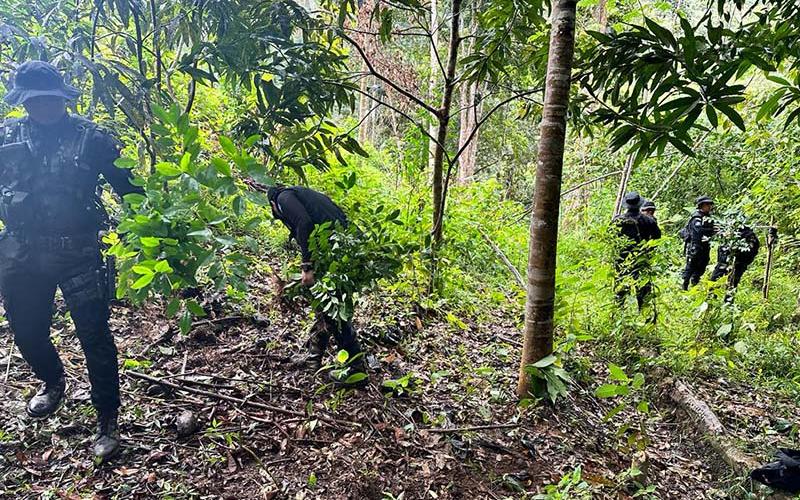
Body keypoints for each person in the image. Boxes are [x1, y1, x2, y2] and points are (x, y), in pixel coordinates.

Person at [0, 61, 142, 460]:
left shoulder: (92, 138)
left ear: (63, 98)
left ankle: (107, 418)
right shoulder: (7, 135)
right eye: (34, 101)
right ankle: (53, 381)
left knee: (94, 335)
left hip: (77, 251)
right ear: (23, 102)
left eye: (50, 99)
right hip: (22, 251)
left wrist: (143, 237)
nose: (43, 107)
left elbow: (132, 191)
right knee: (27, 331)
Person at [266, 185, 367, 386]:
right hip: (344, 251)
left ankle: (357, 370)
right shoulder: (305, 195)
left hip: (336, 253)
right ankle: (314, 360)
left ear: (272, 204)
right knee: (325, 308)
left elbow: (304, 223)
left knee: (333, 312)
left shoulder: (283, 198)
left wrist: (307, 267)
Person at [612, 192, 661, 315]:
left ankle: (619, 315)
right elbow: (657, 238)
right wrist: (648, 251)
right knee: (643, 289)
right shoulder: (648, 221)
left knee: (621, 288)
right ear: (640, 204)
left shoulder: (617, 221)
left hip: (622, 261)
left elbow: (610, 238)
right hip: (641, 259)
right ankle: (644, 315)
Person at [681, 195, 717, 290]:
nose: (709, 207)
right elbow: (698, 232)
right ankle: (684, 286)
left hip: (704, 246)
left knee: (702, 265)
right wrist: (711, 230)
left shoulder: (708, 217)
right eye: (707, 205)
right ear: (702, 205)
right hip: (695, 246)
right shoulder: (696, 218)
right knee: (691, 266)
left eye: (710, 204)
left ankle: (694, 283)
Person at [710, 224, 760, 289]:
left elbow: (753, 250)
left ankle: (722, 292)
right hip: (728, 259)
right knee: (720, 275)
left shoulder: (749, 236)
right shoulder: (728, 231)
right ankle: (713, 293)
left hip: (739, 261)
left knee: (732, 279)